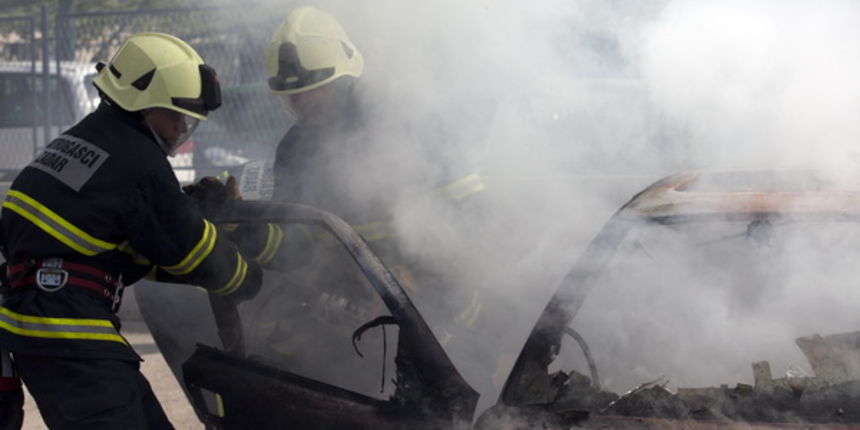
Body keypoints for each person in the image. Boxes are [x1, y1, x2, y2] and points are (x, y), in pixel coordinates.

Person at [0, 32, 262, 429]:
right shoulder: (139, 162)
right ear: (140, 103)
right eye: (174, 113)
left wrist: (186, 209)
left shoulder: (83, 140)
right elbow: (195, 253)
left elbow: (124, 241)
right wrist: (248, 278)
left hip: (49, 323)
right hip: (70, 333)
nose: (181, 127)